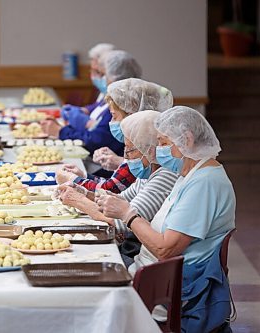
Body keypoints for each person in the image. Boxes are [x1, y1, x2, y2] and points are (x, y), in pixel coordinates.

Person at [97, 106, 236, 332]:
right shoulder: (189, 174)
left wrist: (128, 215)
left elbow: (165, 249)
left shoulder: (205, 183)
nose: (157, 152)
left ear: (187, 140)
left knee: (93, 296)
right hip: (152, 273)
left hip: (171, 287)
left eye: (163, 143)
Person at [58, 111, 178, 264]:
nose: (125, 157)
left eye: (130, 149)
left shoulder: (166, 176)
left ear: (149, 149)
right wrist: (84, 192)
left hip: (139, 255)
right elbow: (118, 200)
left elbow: (122, 222)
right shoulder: (147, 173)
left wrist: (79, 201)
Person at [56, 78, 173, 194]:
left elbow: (110, 190)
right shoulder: (136, 144)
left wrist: (74, 180)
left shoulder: (141, 149)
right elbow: (114, 186)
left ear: (131, 115)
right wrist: (83, 176)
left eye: (114, 116)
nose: (111, 121)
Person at [41, 50, 142, 159]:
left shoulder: (122, 103)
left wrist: (62, 132)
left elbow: (97, 141)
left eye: (102, 74)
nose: (100, 78)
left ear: (116, 77)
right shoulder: (114, 97)